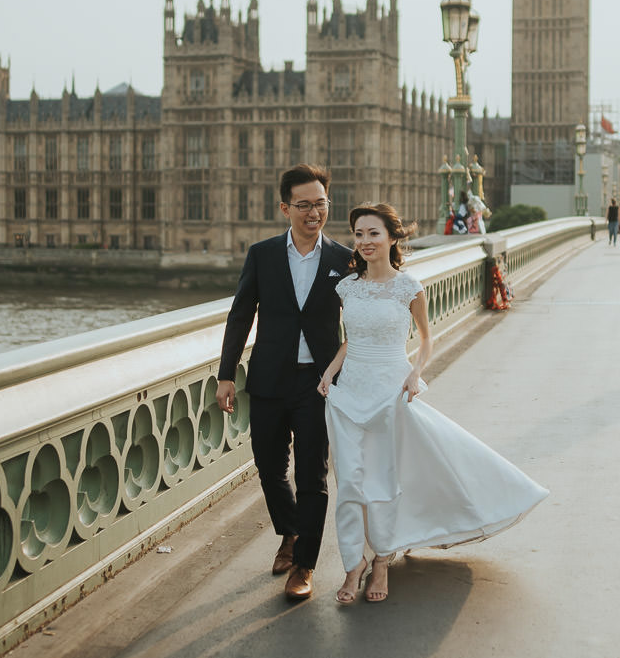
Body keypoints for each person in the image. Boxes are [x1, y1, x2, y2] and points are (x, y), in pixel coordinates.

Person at [318, 203, 548, 604]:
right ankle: (353, 563)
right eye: (358, 234)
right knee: (351, 481)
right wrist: (329, 370)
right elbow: (353, 337)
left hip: (391, 389)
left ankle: (382, 562)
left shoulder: (409, 287)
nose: (365, 241)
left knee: (384, 480)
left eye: (373, 233)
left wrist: (414, 373)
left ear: (392, 237)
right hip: (349, 390)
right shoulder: (346, 288)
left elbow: (425, 340)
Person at [215, 164, 353, 600]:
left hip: (319, 382)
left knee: (312, 476)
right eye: (305, 204)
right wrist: (225, 374)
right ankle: (289, 533)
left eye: (321, 203)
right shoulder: (262, 254)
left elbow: (366, 317)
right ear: (285, 208)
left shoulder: (344, 259)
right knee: (270, 467)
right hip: (270, 379)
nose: (314, 212)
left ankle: (305, 566)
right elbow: (240, 317)